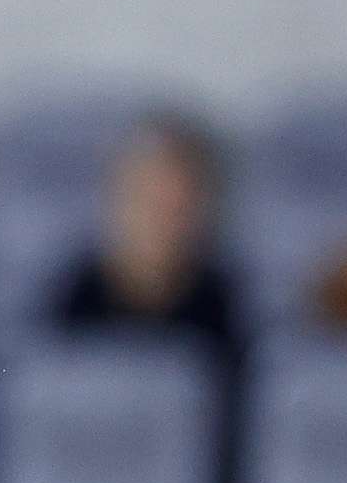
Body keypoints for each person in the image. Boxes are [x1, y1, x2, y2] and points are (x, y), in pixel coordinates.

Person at [52, 115, 240, 360]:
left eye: (177, 207)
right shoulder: (71, 302)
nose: (161, 222)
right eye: (149, 202)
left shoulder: (228, 309)